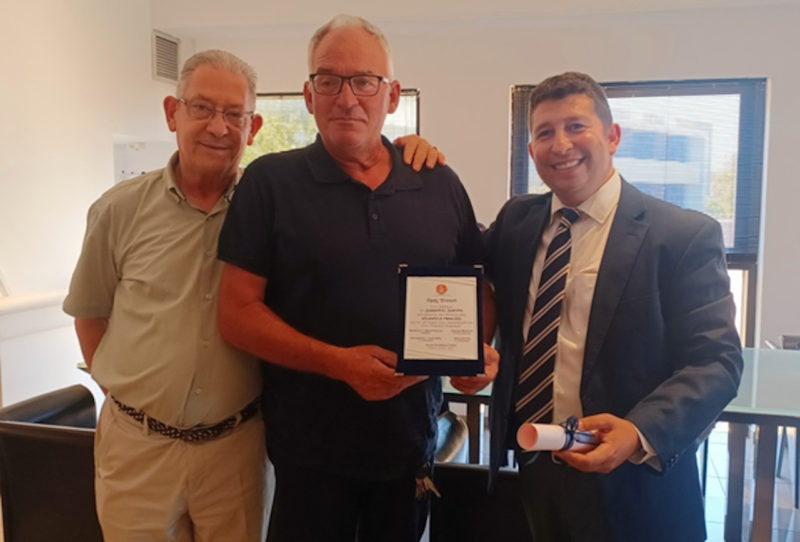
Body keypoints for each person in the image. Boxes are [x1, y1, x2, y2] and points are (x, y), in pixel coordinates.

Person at [63, 48, 440, 541]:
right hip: (138, 448)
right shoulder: (118, 210)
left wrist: (399, 151)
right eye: (202, 108)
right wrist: (131, 402)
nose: (218, 127)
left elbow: (352, 173)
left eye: (234, 114)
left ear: (254, 126)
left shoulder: (276, 203)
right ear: (173, 113)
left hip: (237, 449)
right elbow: (91, 315)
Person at [216, 15, 497, 542]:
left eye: (365, 81)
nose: (347, 98)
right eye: (329, 80)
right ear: (309, 95)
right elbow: (236, 314)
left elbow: (476, 286)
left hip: (410, 451)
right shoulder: (269, 183)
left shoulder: (438, 182)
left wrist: (474, 355)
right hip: (308, 458)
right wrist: (338, 364)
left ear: (392, 95)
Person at [484, 72, 743, 542]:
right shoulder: (515, 222)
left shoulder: (681, 236)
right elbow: (459, 273)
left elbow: (716, 362)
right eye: (545, 132)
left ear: (613, 137)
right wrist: (413, 163)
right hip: (537, 468)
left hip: (636, 486)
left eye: (576, 126)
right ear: (532, 151)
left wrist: (638, 431)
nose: (561, 144)